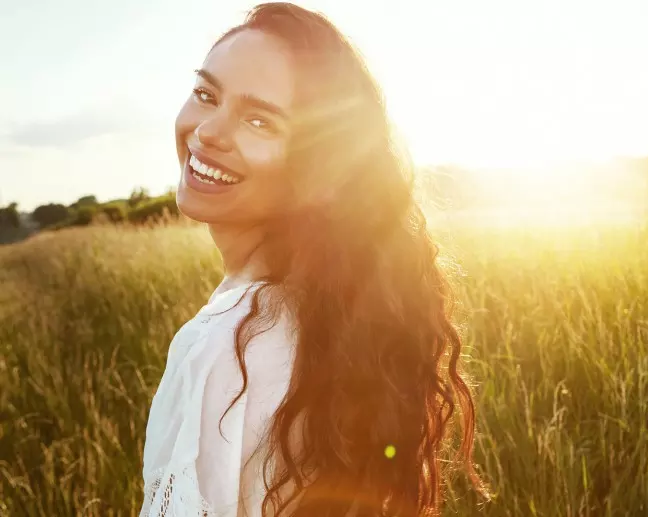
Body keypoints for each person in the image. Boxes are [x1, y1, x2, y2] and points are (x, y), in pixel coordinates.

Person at [139, 3, 484, 516]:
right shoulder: (327, 319)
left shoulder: (222, 347)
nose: (209, 131)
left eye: (259, 120)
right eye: (206, 94)